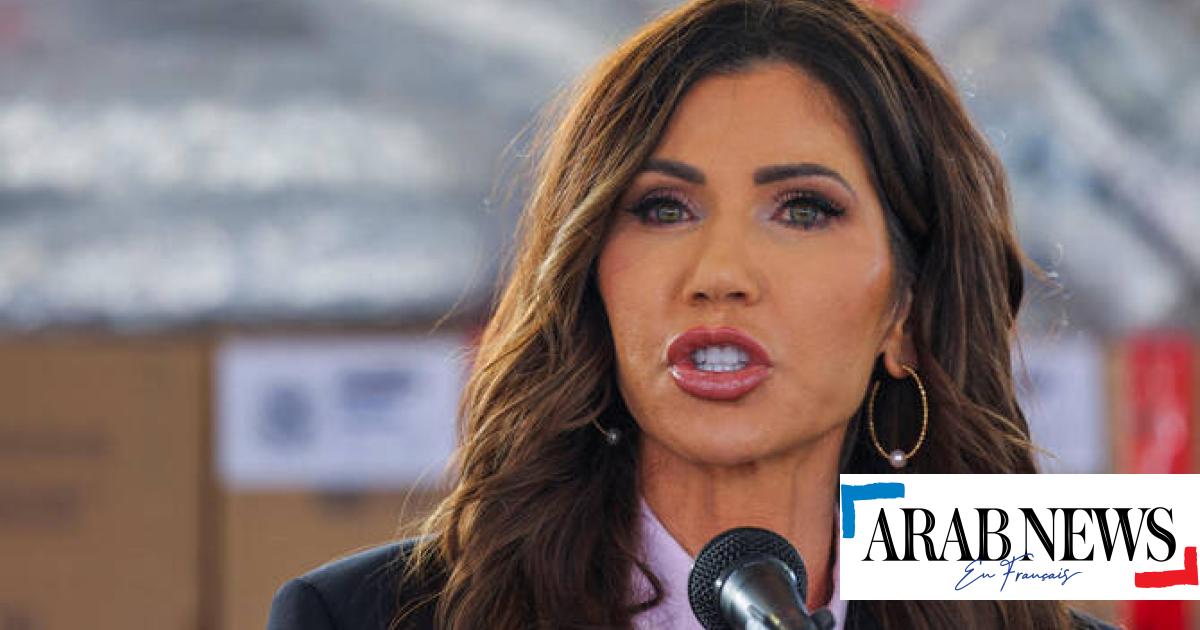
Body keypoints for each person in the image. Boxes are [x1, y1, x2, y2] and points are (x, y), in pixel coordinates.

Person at [267, 1, 1118, 628]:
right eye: (663, 209)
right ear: (591, 277)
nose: (719, 276)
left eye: (803, 210)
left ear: (906, 308)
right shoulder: (358, 618)